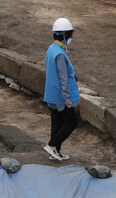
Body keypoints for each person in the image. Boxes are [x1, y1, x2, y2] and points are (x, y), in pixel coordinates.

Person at [44, 17, 79, 161]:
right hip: (60, 96)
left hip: (52, 93)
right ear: (64, 35)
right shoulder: (60, 54)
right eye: (69, 35)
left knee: (57, 121)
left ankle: (55, 152)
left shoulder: (52, 48)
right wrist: (67, 99)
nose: (71, 38)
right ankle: (52, 145)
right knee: (72, 121)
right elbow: (63, 78)